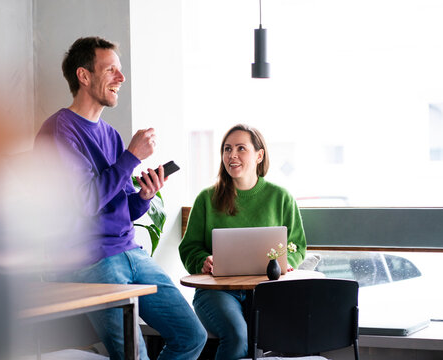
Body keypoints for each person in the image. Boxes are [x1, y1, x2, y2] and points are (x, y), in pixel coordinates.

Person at [35, 36, 207, 360]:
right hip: (91, 260)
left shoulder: (110, 134)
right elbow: (84, 202)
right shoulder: (59, 130)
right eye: (111, 69)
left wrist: (145, 194)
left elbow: (123, 208)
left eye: (121, 70)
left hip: (130, 252)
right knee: (134, 356)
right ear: (84, 76)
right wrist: (130, 157)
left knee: (192, 335)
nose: (121, 78)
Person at [178, 124, 307, 360]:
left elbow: (297, 245)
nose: (232, 155)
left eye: (240, 148)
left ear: (259, 155)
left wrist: (288, 262)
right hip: (217, 292)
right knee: (238, 338)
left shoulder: (281, 197)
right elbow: (189, 248)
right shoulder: (207, 198)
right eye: (227, 149)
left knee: (284, 336)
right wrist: (201, 261)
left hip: (266, 292)